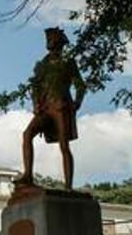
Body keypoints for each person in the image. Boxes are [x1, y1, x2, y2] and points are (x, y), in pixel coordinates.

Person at [16, 27, 86, 190]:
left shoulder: (68, 62)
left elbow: (80, 85)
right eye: (47, 39)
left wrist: (77, 103)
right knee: (27, 134)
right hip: (45, 108)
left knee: (64, 145)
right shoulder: (43, 64)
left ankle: (68, 185)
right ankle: (28, 175)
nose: (48, 41)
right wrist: (35, 105)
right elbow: (35, 86)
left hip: (61, 106)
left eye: (51, 38)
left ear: (59, 42)